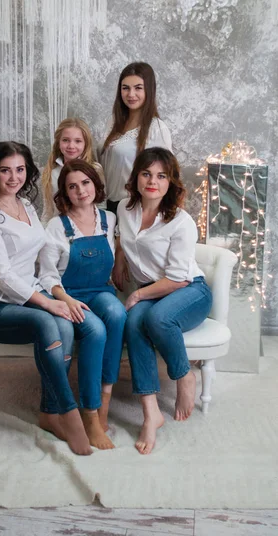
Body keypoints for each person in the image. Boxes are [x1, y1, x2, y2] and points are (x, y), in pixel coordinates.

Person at [0, 141, 92, 456]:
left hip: (28, 296)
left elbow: (38, 256)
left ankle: (49, 413)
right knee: (45, 321)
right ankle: (70, 414)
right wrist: (47, 302)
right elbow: (2, 275)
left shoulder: (27, 205)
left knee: (64, 326)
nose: (13, 177)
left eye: (20, 169)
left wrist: (57, 289)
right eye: (5, 170)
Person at [114, 147, 212, 455]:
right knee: (133, 322)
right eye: (146, 174)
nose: (152, 181)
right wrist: (119, 261)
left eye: (161, 176)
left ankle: (184, 376)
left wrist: (139, 293)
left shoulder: (180, 222)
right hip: (153, 290)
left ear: (171, 182)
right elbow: (121, 238)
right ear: (136, 178)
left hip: (189, 291)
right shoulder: (124, 210)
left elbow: (179, 278)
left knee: (156, 319)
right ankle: (150, 412)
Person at [38, 160, 127, 450]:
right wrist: (65, 299)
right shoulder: (57, 226)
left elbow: (117, 254)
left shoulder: (109, 219)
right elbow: (47, 275)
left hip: (99, 290)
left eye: (86, 183)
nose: (81, 190)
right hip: (67, 293)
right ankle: (90, 414)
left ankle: (104, 402)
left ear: (95, 184)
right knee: (96, 331)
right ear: (64, 192)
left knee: (116, 312)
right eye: (72, 186)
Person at [100, 62, 172, 214]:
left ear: (149, 90)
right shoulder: (112, 122)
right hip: (105, 205)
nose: (131, 94)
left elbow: (165, 176)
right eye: (125, 88)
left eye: (138, 88)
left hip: (134, 207)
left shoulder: (157, 128)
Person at [41, 117, 105, 224]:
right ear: (58, 142)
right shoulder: (50, 172)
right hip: (59, 231)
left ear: (86, 143)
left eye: (78, 141)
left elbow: (102, 205)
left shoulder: (95, 169)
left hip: (88, 229)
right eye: (65, 140)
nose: (71, 146)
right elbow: (48, 211)